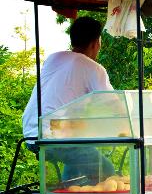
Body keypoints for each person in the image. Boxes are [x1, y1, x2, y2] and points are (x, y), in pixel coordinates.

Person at [22, 16, 115, 184]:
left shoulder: (53, 58)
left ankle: (69, 192)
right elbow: (115, 105)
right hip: (54, 137)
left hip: (30, 134)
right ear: (96, 42)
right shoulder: (93, 68)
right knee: (107, 171)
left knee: (78, 157)